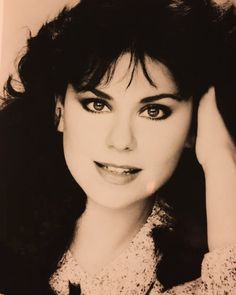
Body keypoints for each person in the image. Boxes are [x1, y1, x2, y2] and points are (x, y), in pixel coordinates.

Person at [0, 0, 235, 294]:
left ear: (195, 127)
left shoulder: (208, 269)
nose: (121, 140)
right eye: (97, 105)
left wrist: (221, 161)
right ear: (59, 109)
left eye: (153, 111)